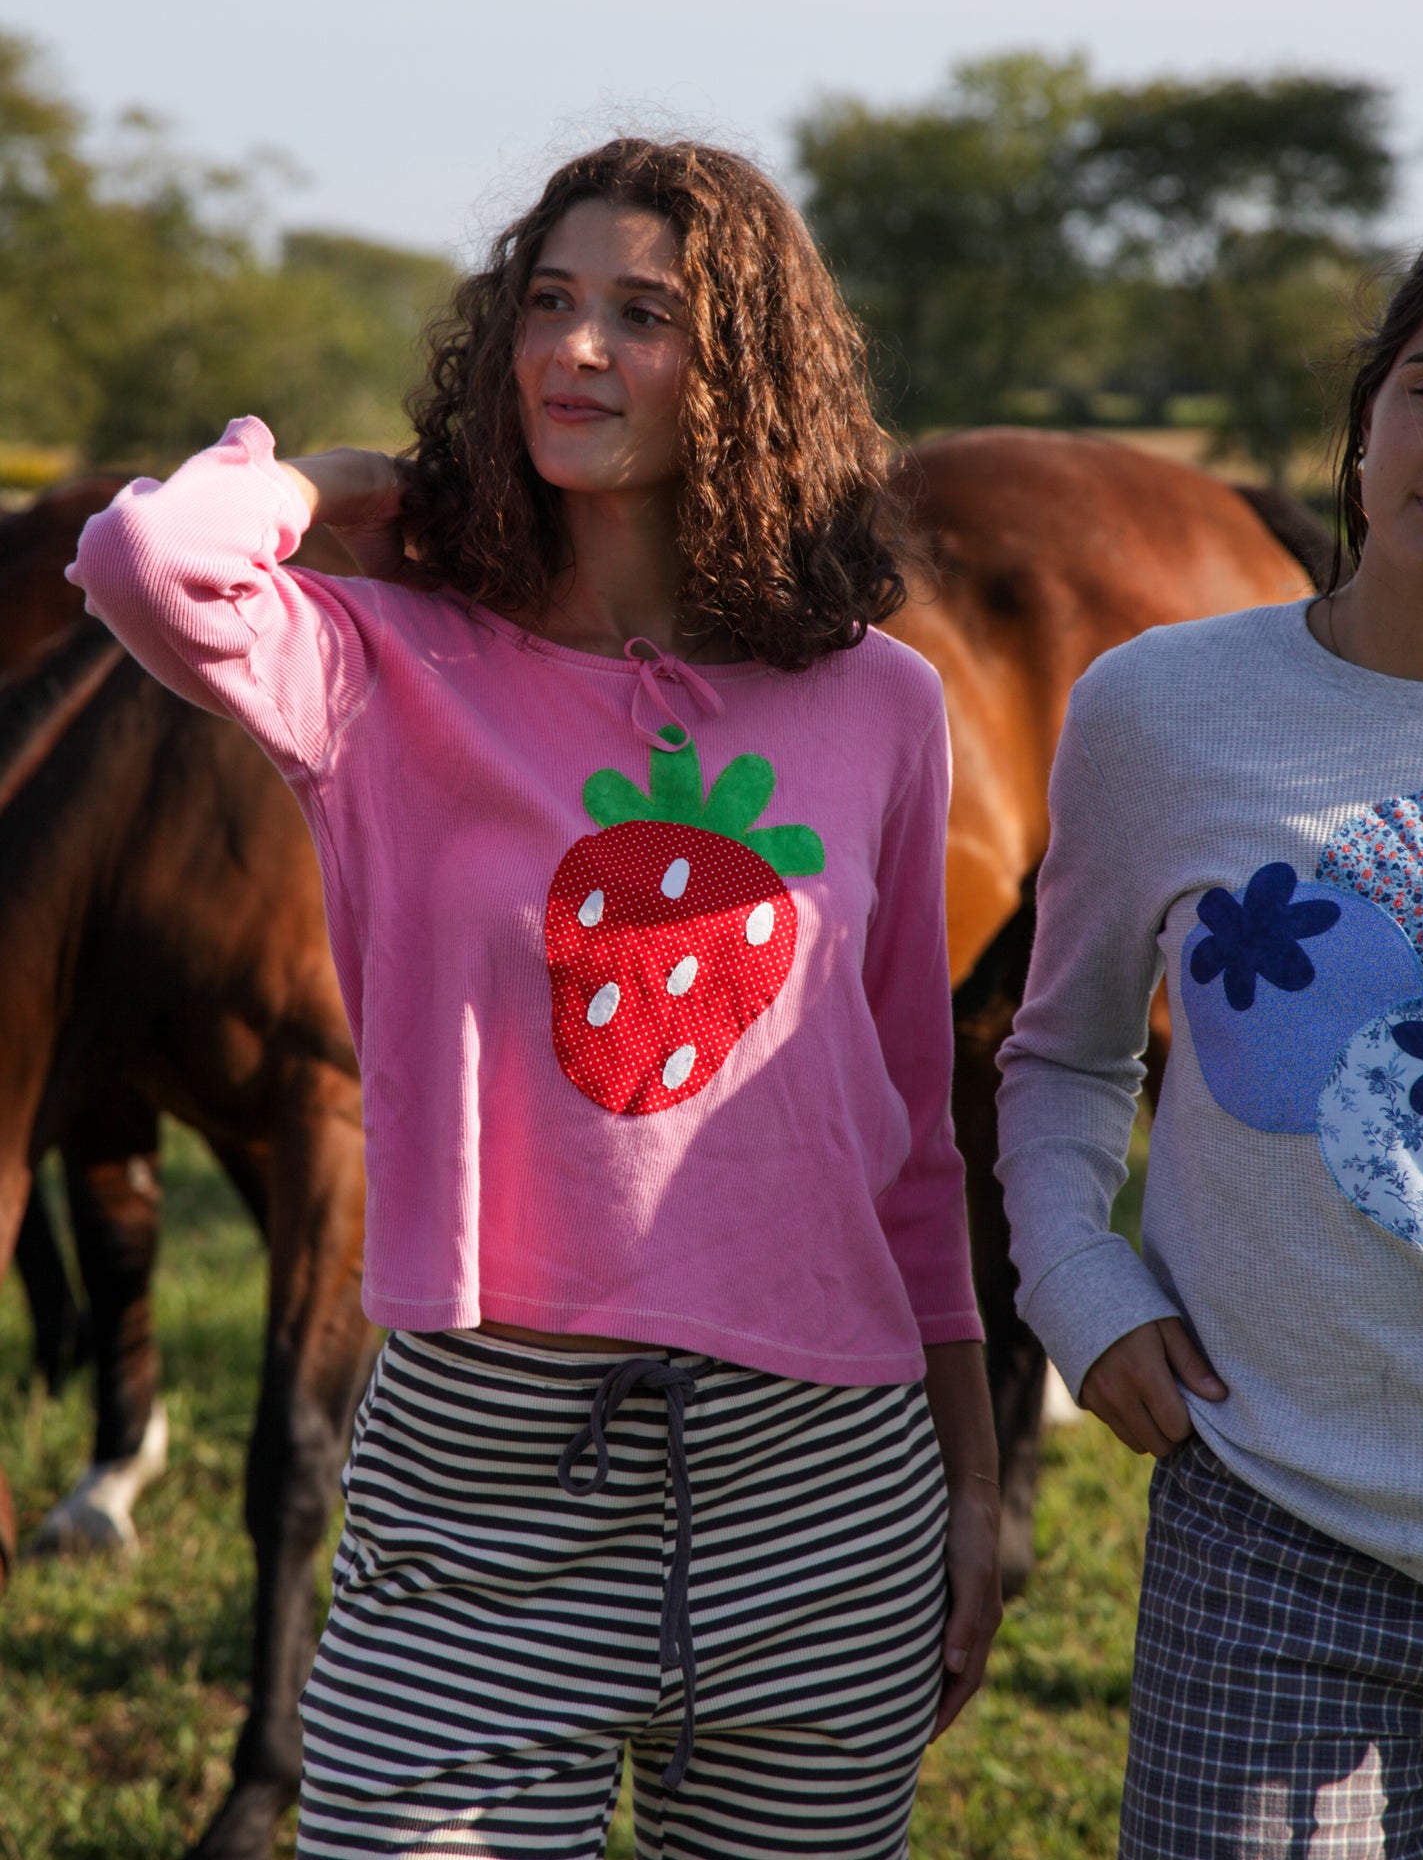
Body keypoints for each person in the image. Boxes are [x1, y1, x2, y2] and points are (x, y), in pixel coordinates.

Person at [69, 138, 1001, 1860]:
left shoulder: (878, 702)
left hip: (822, 1479)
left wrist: (971, 1480)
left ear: (747, 375)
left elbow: (910, 1129)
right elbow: (144, 566)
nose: (576, 350)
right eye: (548, 304)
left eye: (642, 315)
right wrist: (346, 483)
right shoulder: (380, 661)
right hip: (483, 1472)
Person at [996, 231, 1423, 1858]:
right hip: (1274, 1522)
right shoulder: (1160, 710)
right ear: (1366, 417)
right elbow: (1060, 1056)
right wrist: (1077, 1282)